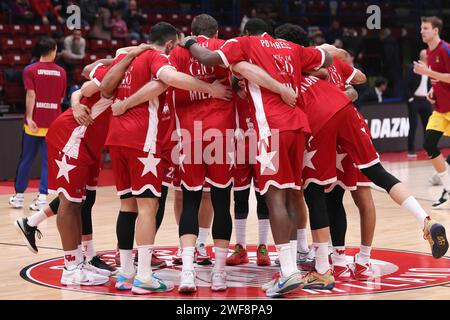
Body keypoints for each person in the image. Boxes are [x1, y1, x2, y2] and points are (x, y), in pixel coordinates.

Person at [181, 17, 333, 297]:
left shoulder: (246, 43)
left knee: (273, 197)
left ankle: (288, 273)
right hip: (298, 126)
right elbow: (328, 57)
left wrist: (189, 41)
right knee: (287, 195)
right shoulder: (291, 47)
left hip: (270, 129)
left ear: (248, 32)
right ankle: (292, 268)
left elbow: (209, 57)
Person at [99, 22, 230, 294]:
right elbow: (168, 80)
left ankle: (125, 272)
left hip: (116, 139)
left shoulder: (126, 55)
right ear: (171, 44)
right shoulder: (156, 57)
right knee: (148, 207)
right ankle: (144, 276)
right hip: (142, 139)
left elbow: (103, 88)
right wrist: (211, 90)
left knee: (127, 206)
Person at [9, 37, 66, 211]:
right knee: (48, 163)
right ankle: (42, 199)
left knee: (26, 159)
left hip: (34, 124)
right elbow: (61, 98)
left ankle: (18, 197)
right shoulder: (62, 72)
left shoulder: (30, 70)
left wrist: (29, 117)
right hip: (54, 123)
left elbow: (31, 95)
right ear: (53, 51)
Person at [413, 16, 450, 209]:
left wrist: (427, 73)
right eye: (421, 28)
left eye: (425, 28)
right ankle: (448, 186)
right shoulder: (429, 51)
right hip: (440, 108)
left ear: (436, 31)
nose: (422, 31)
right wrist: (433, 90)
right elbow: (439, 79)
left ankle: (447, 187)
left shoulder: (445, 49)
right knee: (429, 143)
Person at [405, 49, 432, 158]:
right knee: (413, 125)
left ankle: (429, 148)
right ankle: (411, 149)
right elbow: (406, 84)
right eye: (427, 54)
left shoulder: (430, 68)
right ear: (422, 56)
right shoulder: (414, 68)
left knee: (428, 126)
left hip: (425, 100)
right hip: (414, 101)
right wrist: (410, 99)